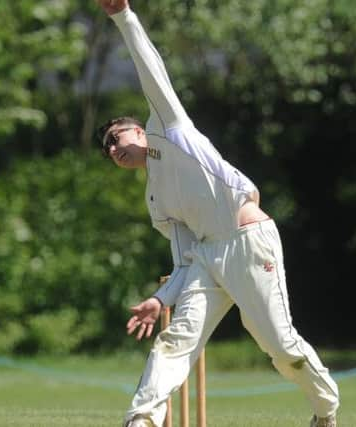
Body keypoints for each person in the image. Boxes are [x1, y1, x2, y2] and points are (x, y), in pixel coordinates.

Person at [95, 1, 340, 426]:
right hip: (207, 258)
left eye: (117, 137)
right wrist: (160, 299)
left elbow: (150, 67)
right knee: (175, 343)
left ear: (139, 128)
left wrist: (123, 17)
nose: (115, 149)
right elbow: (183, 260)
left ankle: (325, 410)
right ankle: (141, 421)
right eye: (109, 150)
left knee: (280, 347)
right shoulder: (156, 201)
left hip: (248, 241)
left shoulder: (169, 128)